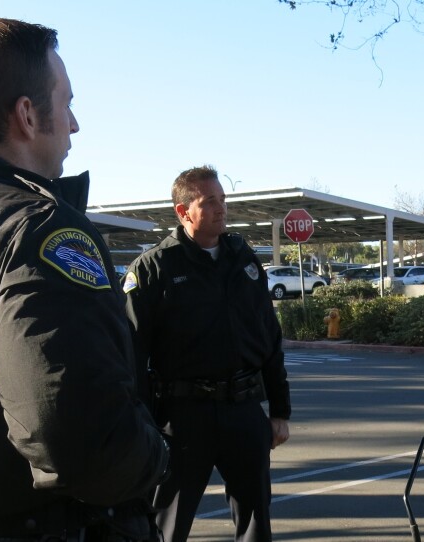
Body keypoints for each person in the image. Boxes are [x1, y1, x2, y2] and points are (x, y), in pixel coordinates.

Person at [0, 18, 169, 541]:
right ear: (27, 115)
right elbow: (77, 437)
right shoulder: (37, 230)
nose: (74, 125)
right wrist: (155, 455)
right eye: (66, 102)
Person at [122, 165, 291, 542]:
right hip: (183, 419)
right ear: (183, 212)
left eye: (223, 199)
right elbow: (130, 354)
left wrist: (279, 411)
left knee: (256, 524)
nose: (221, 208)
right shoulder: (154, 268)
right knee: (167, 526)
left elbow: (268, 337)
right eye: (209, 201)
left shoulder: (243, 261)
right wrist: (140, 424)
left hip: (244, 412)